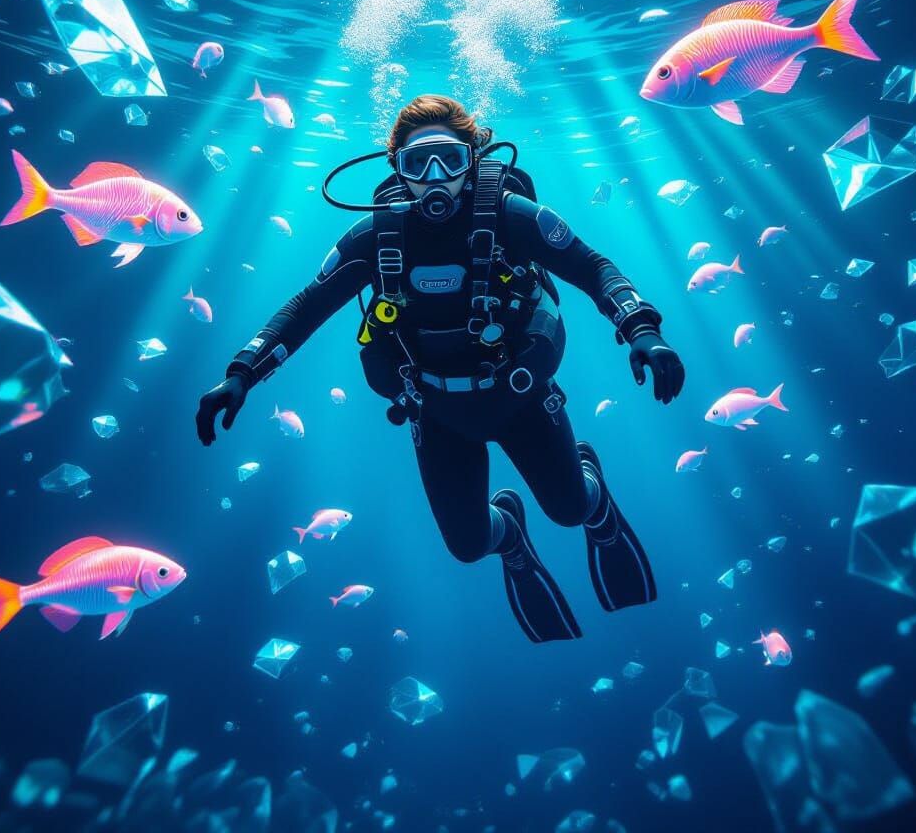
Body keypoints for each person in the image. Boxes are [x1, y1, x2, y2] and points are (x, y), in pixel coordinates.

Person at [196, 95, 685, 643]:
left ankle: (594, 497)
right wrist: (242, 373)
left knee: (571, 511)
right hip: (438, 411)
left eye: (449, 161)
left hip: (520, 396)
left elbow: (591, 266)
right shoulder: (375, 238)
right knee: (469, 546)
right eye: (416, 164)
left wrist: (642, 328)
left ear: (472, 161)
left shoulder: (510, 216)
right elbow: (306, 307)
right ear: (396, 168)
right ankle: (512, 539)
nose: (434, 180)